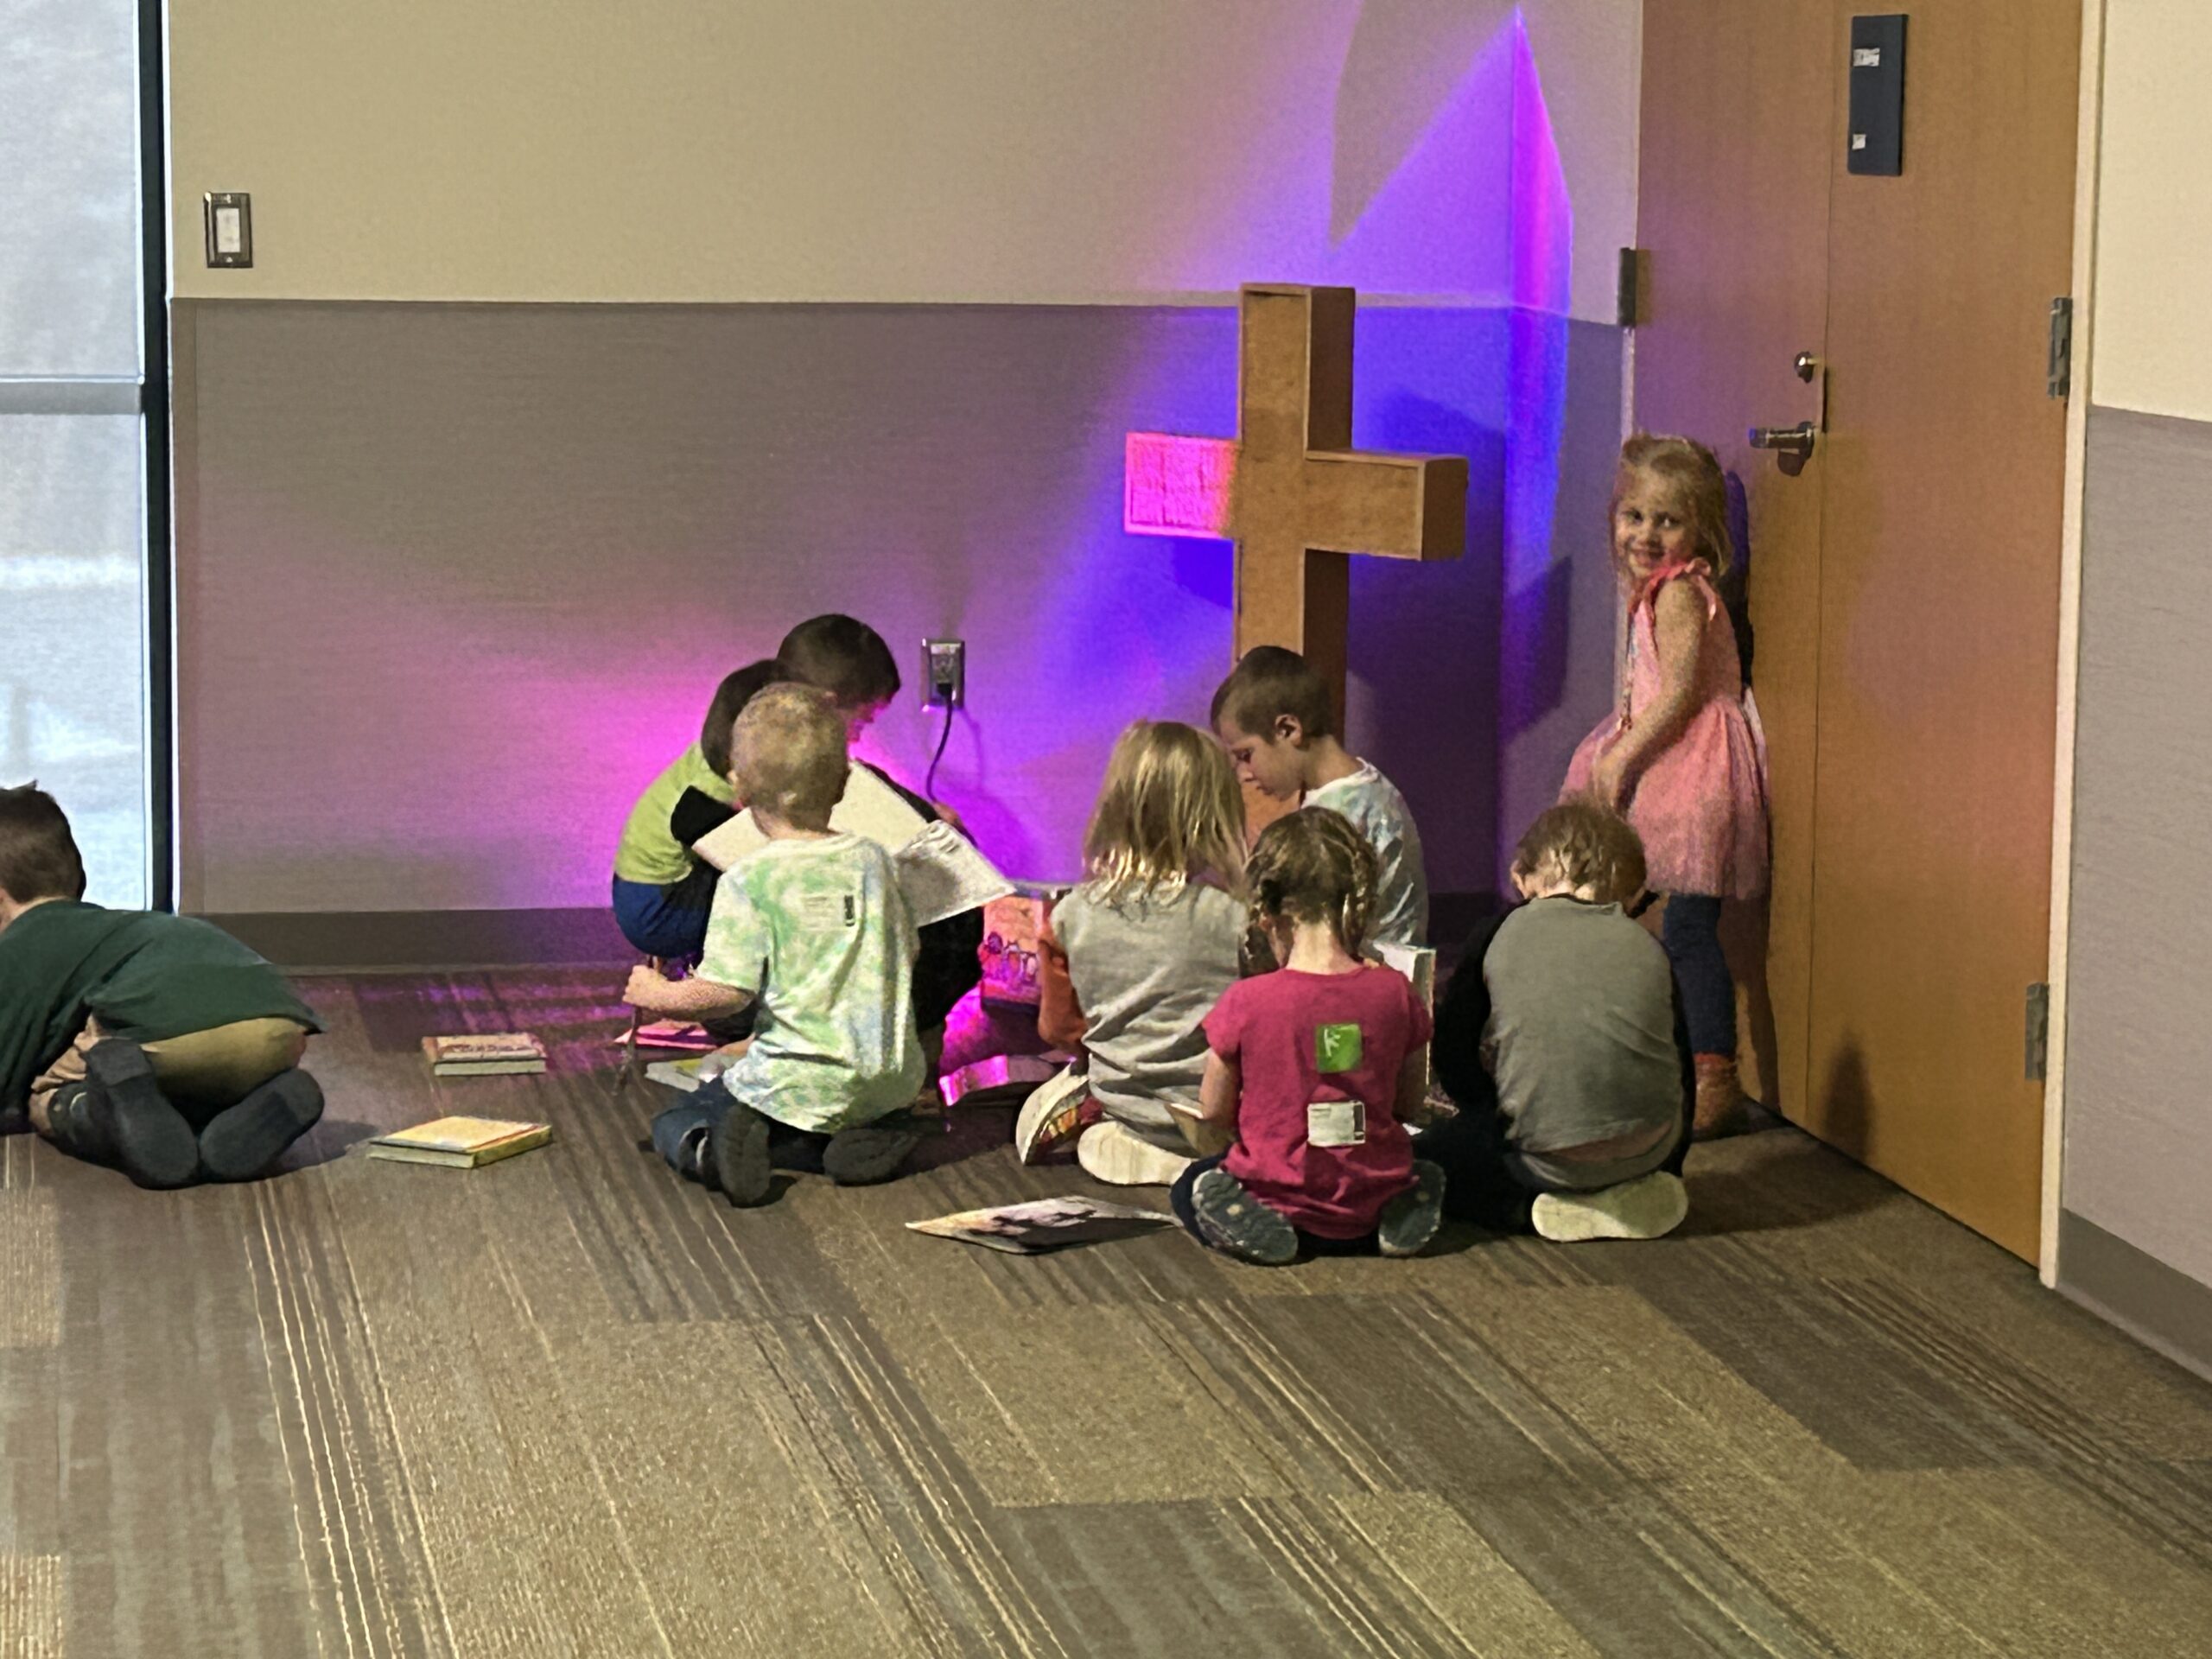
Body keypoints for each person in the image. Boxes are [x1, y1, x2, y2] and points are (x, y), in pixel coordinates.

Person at [626, 684, 927, 1204]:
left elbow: (726, 994)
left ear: (739, 788)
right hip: (888, 1081)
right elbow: (907, 953)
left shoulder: (750, 880)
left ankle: (712, 1151)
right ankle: (860, 1138)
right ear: (844, 783)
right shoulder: (876, 862)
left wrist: (659, 994)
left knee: (681, 1115)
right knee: (837, 1104)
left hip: (795, 1084)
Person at [1560, 435, 1769, 1136]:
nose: (1646, 534)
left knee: (1686, 927)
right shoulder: (1652, 593)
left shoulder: (1680, 592)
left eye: (1667, 521)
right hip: (1668, 763)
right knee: (1633, 915)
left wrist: (1621, 757)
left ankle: (1716, 1076)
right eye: (1635, 516)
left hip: (1693, 768)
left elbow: (1679, 693)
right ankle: (1644, 1059)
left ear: (1699, 531)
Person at [0, 784, 324, 1188]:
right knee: (185, 1078)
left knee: (49, 1090)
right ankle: (240, 1117)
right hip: (281, 1027)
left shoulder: (23, 943)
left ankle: (106, 1115)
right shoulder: (136, 929)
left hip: (165, 1031)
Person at [1172, 808, 1443, 1266]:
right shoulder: (1396, 992)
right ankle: (1402, 1208)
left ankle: (1258, 1227)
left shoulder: (1247, 1000)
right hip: (1367, 1204)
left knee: (1190, 1185)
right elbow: (1409, 1103)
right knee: (1423, 1165)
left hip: (1276, 1197)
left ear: (1267, 913)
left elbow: (1214, 1110)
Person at [1421, 803, 1691, 1241]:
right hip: (1651, 1153)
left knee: (1427, 1159)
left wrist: (1486, 1112)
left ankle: (1527, 1209)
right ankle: (1636, 1191)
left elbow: (1454, 1053)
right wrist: (1672, 1160)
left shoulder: (1495, 933)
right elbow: (1682, 1067)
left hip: (1540, 1164)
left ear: (1521, 876)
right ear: (1628, 893)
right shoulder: (1648, 945)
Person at [1032, 721, 1249, 1185]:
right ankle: (1195, 1162)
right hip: (1218, 1116)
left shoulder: (1070, 915)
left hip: (1123, 1108)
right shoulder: (1236, 918)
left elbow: (1056, 1028)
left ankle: (1135, 1142)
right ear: (1215, 814)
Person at [775, 614, 982, 1050]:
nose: (856, 739)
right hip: (895, 1003)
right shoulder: (820, 790)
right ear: (828, 706)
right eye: (860, 723)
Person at [1210, 645, 1429, 949]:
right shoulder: (1372, 788)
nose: (1244, 774)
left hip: (1364, 974)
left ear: (1289, 730)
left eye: (1247, 755)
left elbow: (1310, 934)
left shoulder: (1336, 816)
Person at [611, 658, 789, 962]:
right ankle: (722, 977)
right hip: (658, 912)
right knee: (774, 897)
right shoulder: (707, 795)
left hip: (642, 891)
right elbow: (749, 862)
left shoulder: (709, 759)